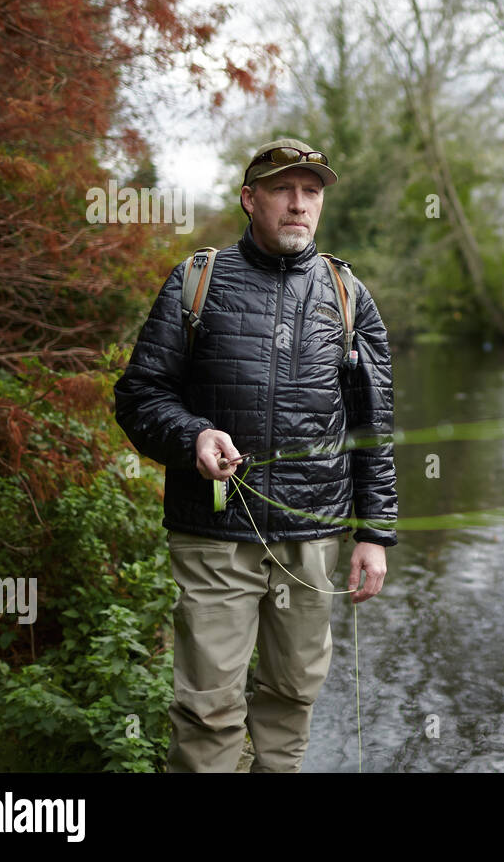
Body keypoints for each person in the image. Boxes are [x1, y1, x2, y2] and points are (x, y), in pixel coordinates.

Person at [113, 137, 397, 772]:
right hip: (213, 534)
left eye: (312, 192)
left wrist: (374, 534)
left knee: (293, 695)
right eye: (282, 189)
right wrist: (192, 436)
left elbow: (374, 427)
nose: (299, 204)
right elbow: (138, 396)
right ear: (250, 199)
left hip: (313, 537)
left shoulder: (350, 298)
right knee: (208, 707)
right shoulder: (196, 282)